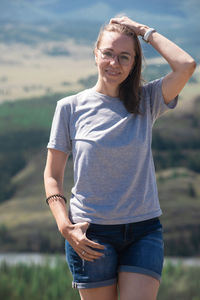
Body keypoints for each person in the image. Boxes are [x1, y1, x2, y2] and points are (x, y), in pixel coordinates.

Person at [44, 16, 196, 300]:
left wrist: (143, 31)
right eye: (108, 54)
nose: (114, 63)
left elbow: (186, 65)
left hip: (144, 231)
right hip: (90, 233)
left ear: (134, 62)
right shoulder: (69, 108)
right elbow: (52, 175)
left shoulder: (147, 100)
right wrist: (65, 226)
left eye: (125, 57)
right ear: (96, 53)